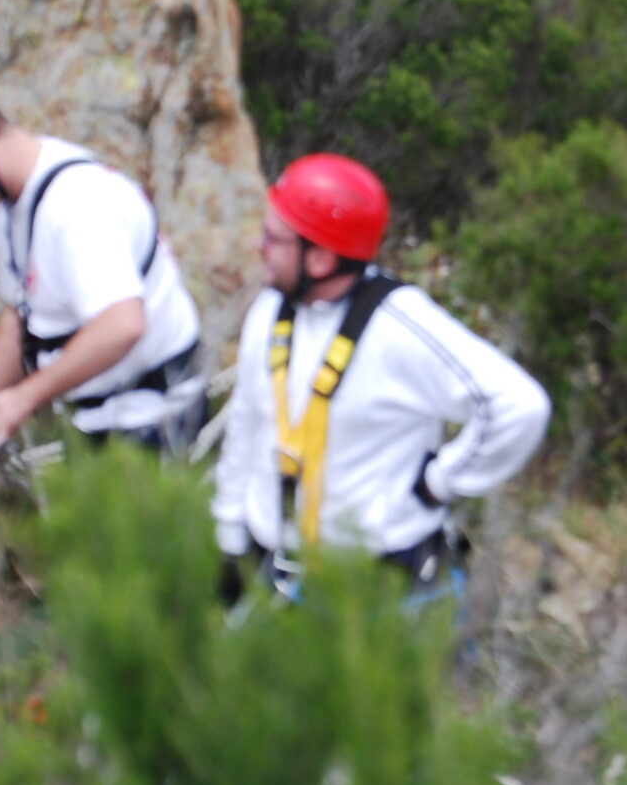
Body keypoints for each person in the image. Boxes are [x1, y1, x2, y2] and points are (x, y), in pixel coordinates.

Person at [211, 154, 550, 609]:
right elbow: (249, 426)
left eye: (274, 238)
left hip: (373, 589)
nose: (259, 246)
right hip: (272, 569)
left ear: (321, 258)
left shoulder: (400, 328)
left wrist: (440, 481)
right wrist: (230, 540)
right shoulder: (270, 314)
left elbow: (520, 406)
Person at [0, 71, 206, 458]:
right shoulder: (14, 208)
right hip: (102, 416)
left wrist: (25, 397)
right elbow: (19, 316)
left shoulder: (75, 208)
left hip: (153, 417)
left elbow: (123, 324)